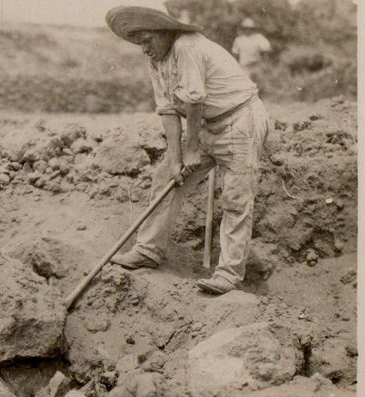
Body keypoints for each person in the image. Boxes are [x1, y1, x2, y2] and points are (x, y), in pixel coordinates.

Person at [105, 7, 269, 294]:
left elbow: (194, 101)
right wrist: (176, 159)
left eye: (147, 40)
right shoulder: (156, 59)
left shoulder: (187, 47)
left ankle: (229, 275)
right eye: (139, 43)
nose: (144, 49)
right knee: (166, 178)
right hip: (208, 124)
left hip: (240, 119)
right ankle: (147, 250)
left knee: (235, 196)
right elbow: (168, 110)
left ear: (165, 31)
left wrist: (192, 150)